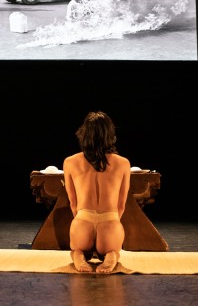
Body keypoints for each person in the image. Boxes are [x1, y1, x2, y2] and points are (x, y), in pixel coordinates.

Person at [63, 111, 131, 274]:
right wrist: (108, 224)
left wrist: (84, 221)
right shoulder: (123, 163)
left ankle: (78, 255)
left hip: (82, 224)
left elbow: (73, 203)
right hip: (110, 226)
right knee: (112, 249)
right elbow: (121, 205)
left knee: (77, 249)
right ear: (110, 135)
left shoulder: (70, 162)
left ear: (84, 134)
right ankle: (111, 255)